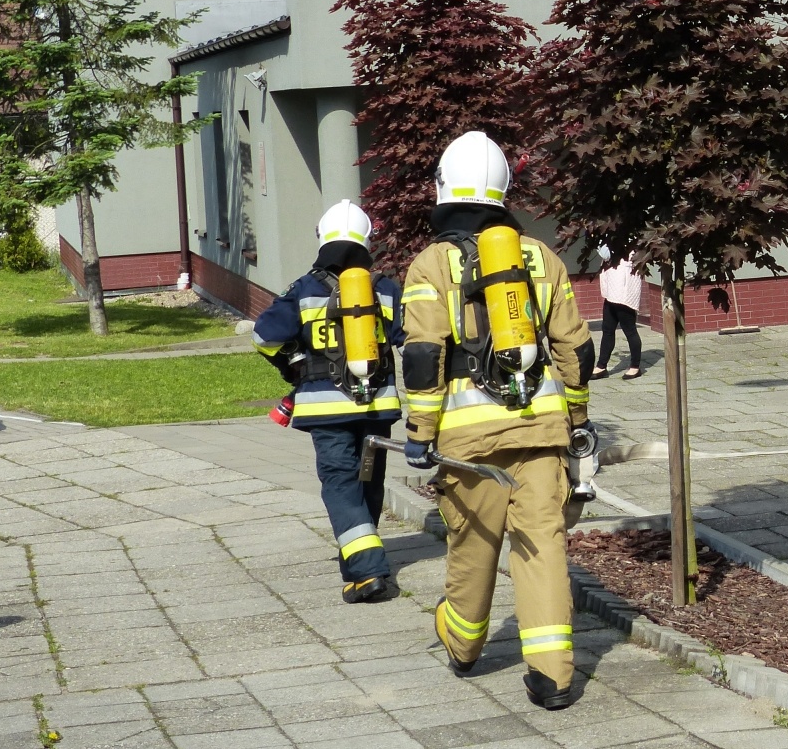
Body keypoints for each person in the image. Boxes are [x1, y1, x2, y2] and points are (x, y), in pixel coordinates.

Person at [398, 131, 595, 709]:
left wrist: (420, 434)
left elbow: (422, 355)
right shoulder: (541, 258)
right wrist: (576, 418)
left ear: (442, 187)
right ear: (504, 191)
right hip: (542, 431)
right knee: (543, 547)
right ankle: (554, 677)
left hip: (468, 442)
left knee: (474, 543)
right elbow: (575, 350)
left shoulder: (430, 264)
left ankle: (462, 645)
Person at [252, 199, 403, 603]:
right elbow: (412, 339)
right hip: (377, 405)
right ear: (367, 241)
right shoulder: (385, 289)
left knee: (340, 482)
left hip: (326, 408)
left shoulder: (303, 290)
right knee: (369, 483)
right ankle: (356, 564)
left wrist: (291, 365)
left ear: (322, 239)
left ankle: (368, 569)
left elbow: (263, 336)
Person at [594, 245, 644, 380]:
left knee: (630, 330)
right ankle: (601, 366)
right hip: (612, 290)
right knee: (607, 329)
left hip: (623, 293)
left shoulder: (625, 240)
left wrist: (596, 239)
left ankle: (635, 367)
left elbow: (605, 253)